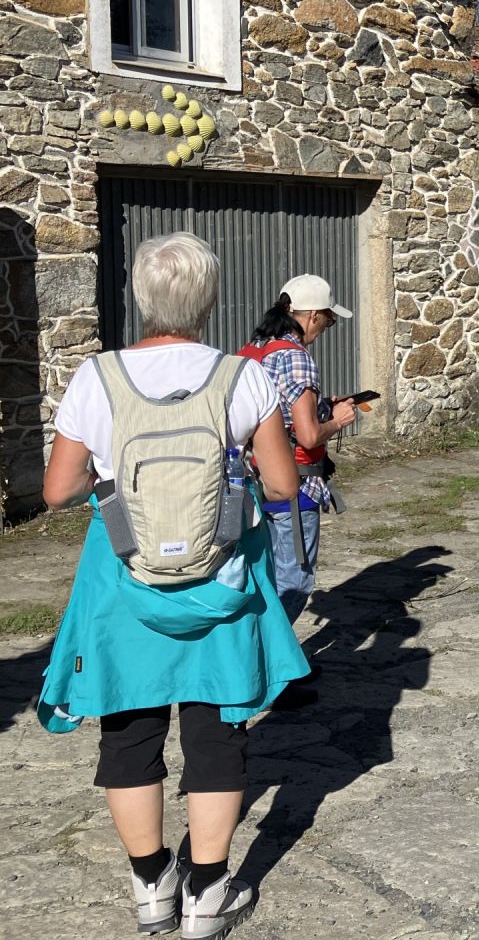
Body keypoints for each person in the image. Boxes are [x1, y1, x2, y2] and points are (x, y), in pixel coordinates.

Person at [38, 231, 306, 938]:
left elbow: (59, 490)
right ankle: (208, 892)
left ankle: (153, 885)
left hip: (123, 580)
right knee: (216, 731)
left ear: (140, 298)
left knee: (128, 729)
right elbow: (283, 485)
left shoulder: (96, 377)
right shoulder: (242, 377)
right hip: (222, 582)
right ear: (208, 300)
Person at [239, 276, 357, 629]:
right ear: (313, 315)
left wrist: (321, 405)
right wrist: (337, 420)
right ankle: (269, 656)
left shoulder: (251, 350)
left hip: (251, 484)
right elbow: (308, 436)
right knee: (294, 582)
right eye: (328, 321)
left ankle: (259, 651)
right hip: (295, 485)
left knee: (261, 578)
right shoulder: (296, 358)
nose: (325, 329)